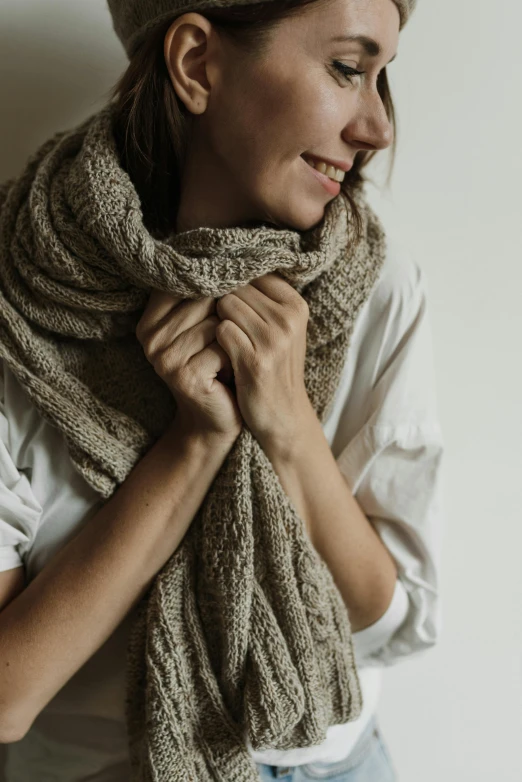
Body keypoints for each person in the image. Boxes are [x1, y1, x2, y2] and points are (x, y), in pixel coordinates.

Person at [0, 0, 444, 780]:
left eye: (383, 80)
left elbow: (395, 626)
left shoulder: (376, 287)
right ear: (198, 62)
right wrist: (194, 442)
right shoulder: (16, 299)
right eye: (347, 68)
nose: (378, 128)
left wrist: (290, 427)